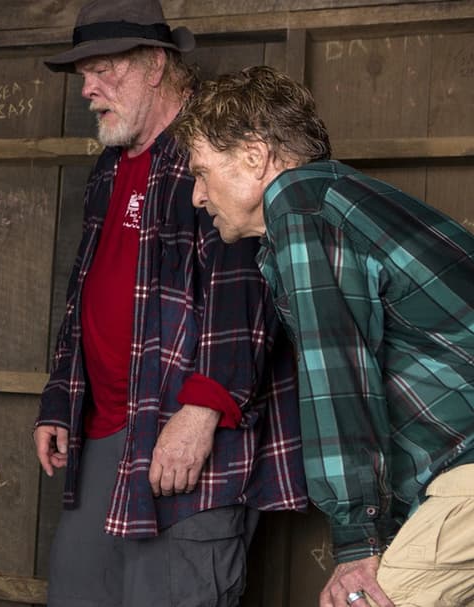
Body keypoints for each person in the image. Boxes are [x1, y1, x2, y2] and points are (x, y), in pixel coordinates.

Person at [35, 2, 308, 605]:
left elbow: (251, 284)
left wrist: (205, 407)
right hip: (105, 432)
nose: (87, 89)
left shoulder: (218, 146)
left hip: (186, 435)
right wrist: (60, 396)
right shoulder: (109, 167)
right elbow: (85, 287)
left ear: (155, 64)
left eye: (103, 69)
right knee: (77, 590)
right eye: (84, 75)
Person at [171, 65, 474, 607]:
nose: (198, 196)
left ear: (254, 156)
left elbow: (339, 378)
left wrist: (359, 543)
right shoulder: (334, 200)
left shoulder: (302, 208)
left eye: (200, 172)